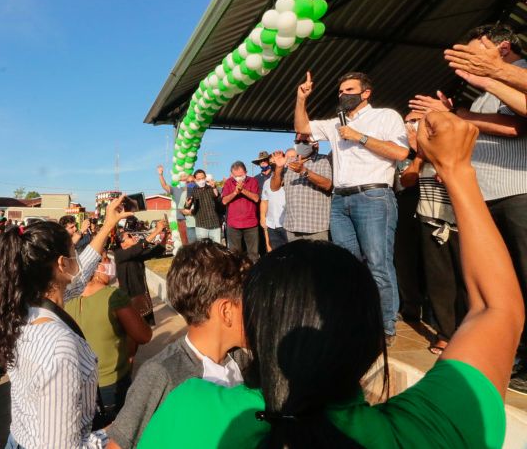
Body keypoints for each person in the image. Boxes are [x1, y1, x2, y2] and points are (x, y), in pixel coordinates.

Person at [139, 111, 522, 449]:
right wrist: (457, 169)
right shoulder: (426, 429)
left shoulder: (189, 407)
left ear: (255, 328)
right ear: (372, 338)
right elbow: (496, 308)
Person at [412, 24, 527, 391]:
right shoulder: (482, 95)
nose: (468, 60)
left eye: (474, 49)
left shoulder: (520, 72)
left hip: (518, 191)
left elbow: (516, 128)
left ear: (502, 47)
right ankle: (515, 355)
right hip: (488, 196)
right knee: (500, 282)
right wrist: (449, 115)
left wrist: (461, 116)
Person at [0, 196, 131, 449]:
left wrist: (106, 226)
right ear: (61, 264)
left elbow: (78, 277)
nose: (78, 259)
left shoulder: (25, 308)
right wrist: (122, 428)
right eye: (74, 253)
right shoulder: (60, 347)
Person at [295, 71, 408, 341]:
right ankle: (357, 318)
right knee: (347, 265)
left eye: (349, 90)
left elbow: (401, 152)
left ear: (365, 93)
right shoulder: (336, 124)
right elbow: (304, 127)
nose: (342, 94)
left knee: (378, 264)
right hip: (340, 199)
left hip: (373, 196)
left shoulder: (386, 116)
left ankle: (385, 326)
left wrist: (360, 137)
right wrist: (301, 99)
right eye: (341, 91)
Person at [107, 240, 249, 449]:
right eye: (250, 304)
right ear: (226, 311)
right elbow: (118, 445)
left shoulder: (243, 360)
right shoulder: (161, 373)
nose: (257, 314)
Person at [400, 117, 465, 355]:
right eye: (408, 123)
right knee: (439, 281)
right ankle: (445, 334)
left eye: (415, 122)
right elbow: (407, 180)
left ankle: (469, 332)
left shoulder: (454, 144)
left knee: (466, 280)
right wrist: (418, 156)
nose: (410, 127)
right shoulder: (419, 157)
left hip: (461, 220)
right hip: (430, 218)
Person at [65, 257, 152, 421]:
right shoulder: (113, 296)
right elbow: (144, 335)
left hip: (79, 385)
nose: (111, 264)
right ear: (95, 267)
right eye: (105, 260)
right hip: (112, 383)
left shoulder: (66, 297)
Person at [269, 135, 333, 241]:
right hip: (292, 227)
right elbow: (274, 187)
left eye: (304, 141)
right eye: (297, 141)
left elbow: (328, 185)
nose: (300, 144)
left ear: (315, 144)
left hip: (316, 228)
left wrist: (304, 171)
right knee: (296, 258)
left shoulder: (323, 160)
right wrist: (279, 168)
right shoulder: (288, 162)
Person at [113, 220, 168, 325]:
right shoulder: (119, 254)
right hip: (128, 299)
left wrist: (165, 236)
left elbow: (154, 252)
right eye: (129, 236)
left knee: (143, 326)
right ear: (122, 243)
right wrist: (156, 231)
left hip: (141, 297)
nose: (133, 237)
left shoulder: (135, 253)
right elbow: (139, 248)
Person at [221, 161, 260, 262]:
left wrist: (243, 190)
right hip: (233, 224)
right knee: (235, 254)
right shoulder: (228, 182)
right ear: (232, 174)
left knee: (253, 254)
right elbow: (224, 201)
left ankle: (254, 274)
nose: (238, 177)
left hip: (251, 223)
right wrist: (235, 192)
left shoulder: (253, 181)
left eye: (241, 175)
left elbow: (256, 198)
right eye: (236, 175)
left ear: (246, 172)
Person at [260, 150, 292, 251]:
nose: (274, 162)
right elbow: (264, 201)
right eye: (272, 161)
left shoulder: (291, 178)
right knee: (276, 254)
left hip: (287, 224)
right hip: (272, 225)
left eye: (277, 159)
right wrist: (262, 218)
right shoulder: (266, 183)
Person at [157, 165, 194, 245]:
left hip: (193, 218)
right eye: (181, 179)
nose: (183, 181)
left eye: (185, 179)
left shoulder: (193, 189)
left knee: (194, 242)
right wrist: (160, 175)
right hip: (181, 220)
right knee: (185, 242)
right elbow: (164, 186)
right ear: (179, 180)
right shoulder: (175, 189)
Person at [187, 169, 222, 242]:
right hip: (201, 225)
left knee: (216, 248)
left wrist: (214, 187)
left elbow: (217, 197)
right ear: (195, 179)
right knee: (203, 249)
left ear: (205, 177)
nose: (201, 180)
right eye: (199, 179)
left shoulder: (211, 188)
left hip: (215, 223)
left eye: (203, 178)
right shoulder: (192, 190)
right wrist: (188, 202)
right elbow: (187, 206)